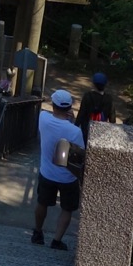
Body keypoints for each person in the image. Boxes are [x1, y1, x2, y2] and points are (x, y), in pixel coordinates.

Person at [34, 88, 86, 249]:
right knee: (67, 208)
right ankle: (56, 240)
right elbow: (80, 152)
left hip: (47, 172)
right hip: (67, 177)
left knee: (42, 202)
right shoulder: (75, 131)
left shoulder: (43, 118)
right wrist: (73, 121)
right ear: (69, 108)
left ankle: (37, 232)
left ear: (53, 105)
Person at [77, 72, 116, 142]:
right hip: (100, 129)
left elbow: (81, 113)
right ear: (105, 85)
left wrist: (76, 126)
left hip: (86, 128)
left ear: (93, 84)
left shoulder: (87, 96)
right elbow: (112, 117)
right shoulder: (109, 99)